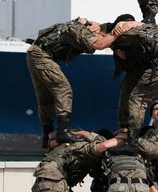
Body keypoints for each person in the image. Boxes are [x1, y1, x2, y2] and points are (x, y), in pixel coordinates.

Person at [27, 18, 118, 146]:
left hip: (35, 53)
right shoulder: (81, 30)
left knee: (45, 97)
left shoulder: (81, 26)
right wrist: (117, 33)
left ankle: (47, 134)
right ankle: (63, 131)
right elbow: (99, 44)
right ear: (99, 32)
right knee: (63, 89)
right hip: (42, 55)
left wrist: (87, 22)